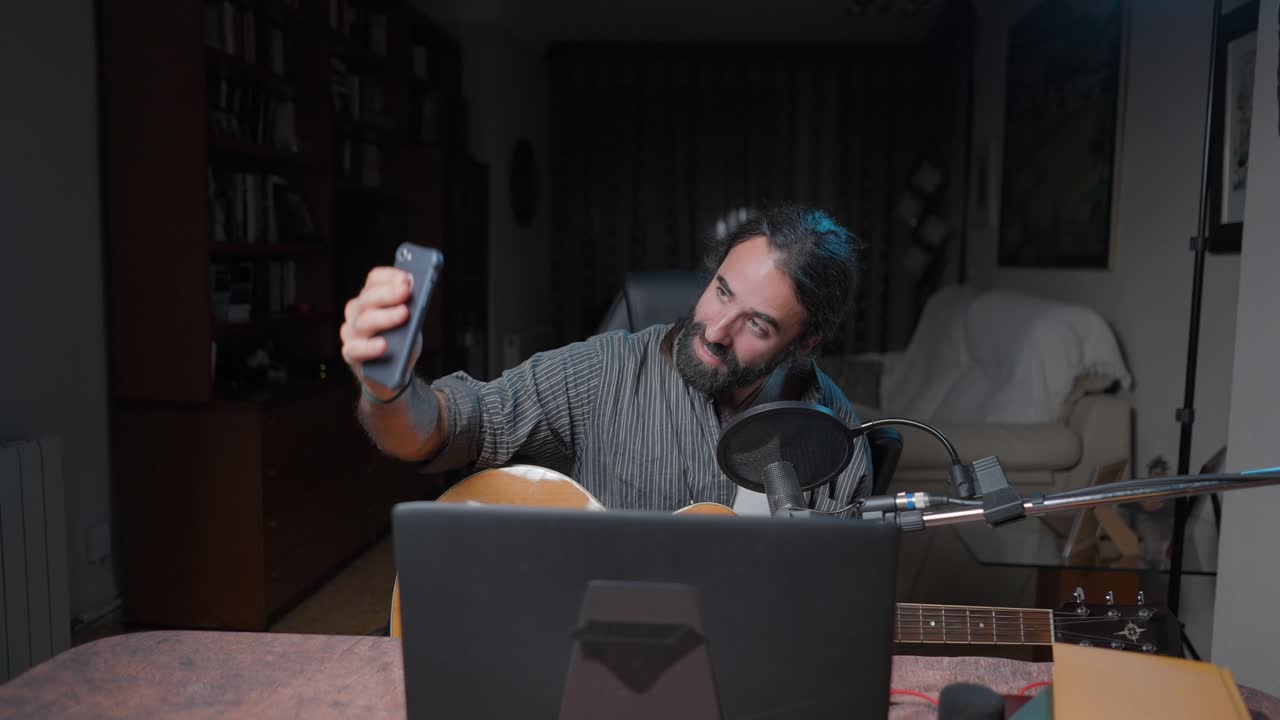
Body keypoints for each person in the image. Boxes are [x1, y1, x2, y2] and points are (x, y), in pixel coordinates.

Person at [340, 205, 870, 514]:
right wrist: (387, 391)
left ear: (804, 343)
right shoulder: (606, 372)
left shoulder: (835, 433)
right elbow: (450, 425)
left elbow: (827, 598)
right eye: (721, 290)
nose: (715, 330)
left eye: (757, 323)